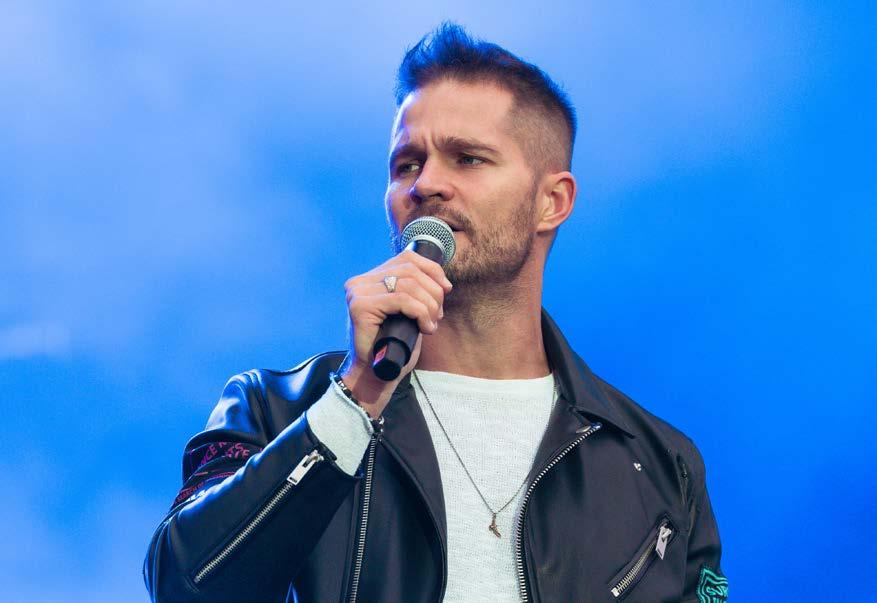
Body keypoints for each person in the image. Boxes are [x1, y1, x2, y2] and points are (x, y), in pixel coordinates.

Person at [144, 22, 727, 603]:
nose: (426, 185)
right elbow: (183, 588)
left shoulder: (660, 465)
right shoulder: (275, 410)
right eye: (406, 164)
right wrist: (358, 397)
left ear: (552, 202)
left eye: (468, 159)